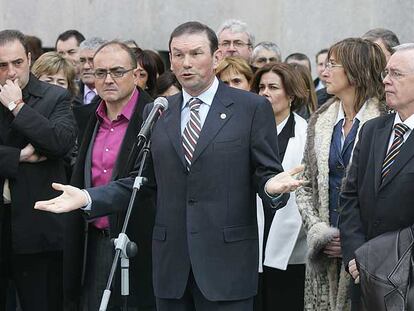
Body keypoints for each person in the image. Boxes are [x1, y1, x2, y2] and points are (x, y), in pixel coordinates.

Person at [35, 21, 304, 311]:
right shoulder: (160, 110)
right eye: (177, 55)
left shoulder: (250, 108)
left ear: (216, 58)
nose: (186, 63)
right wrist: (88, 197)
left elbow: (264, 172)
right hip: (171, 267)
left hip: (226, 264)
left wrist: (271, 186)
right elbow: (141, 181)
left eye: (195, 53)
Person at [295, 37, 387, 311]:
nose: (324, 72)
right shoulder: (320, 120)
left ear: (356, 71)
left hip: (367, 253)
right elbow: (305, 184)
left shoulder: (385, 120)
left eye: (333, 65)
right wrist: (318, 231)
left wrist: (351, 239)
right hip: (325, 253)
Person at [64, 41, 155, 311]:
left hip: (139, 243)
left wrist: (86, 197)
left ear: (136, 74)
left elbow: (145, 183)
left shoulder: (156, 116)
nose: (108, 79)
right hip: (91, 240)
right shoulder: (85, 117)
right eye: (101, 72)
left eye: (117, 71)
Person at [0, 29, 76, 310]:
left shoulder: (54, 96)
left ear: (30, 59)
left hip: (38, 228)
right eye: (2, 65)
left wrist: (16, 106)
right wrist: (17, 155)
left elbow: (59, 143)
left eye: (17, 63)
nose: (10, 72)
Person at [339, 43, 414, 309]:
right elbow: (349, 197)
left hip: (408, 280)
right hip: (364, 276)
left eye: (397, 74)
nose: (385, 80)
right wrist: (357, 256)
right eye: (386, 72)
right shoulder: (373, 130)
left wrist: (383, 259)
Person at [251, 62, 308, 311]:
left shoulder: (306, 133)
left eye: (273, 87)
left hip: (291, 237)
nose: (265, 92)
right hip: (251, 230)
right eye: (261, 87)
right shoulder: (247, 129)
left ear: (291, 95)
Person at [77, 37, 106, 106]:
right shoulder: (70, 92)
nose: (86, 66)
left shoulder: (113, 94)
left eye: (92, 60)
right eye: (82, 60)